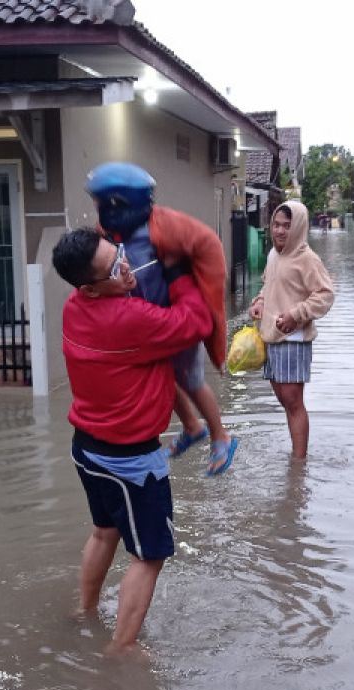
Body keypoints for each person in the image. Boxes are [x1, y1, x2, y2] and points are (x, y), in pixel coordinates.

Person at [51, 228, 212, 653]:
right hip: (130, 463)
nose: (125, 265)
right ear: (90, 285)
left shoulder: (73, 307)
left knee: (105, 531)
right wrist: (179, 274)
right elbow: (198, 322)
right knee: (149, 555)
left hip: (87, 449)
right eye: (112, 267)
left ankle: (83, 611)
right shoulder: (130, 320)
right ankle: (120, 650)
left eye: (119, 253)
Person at [86, 162, 238, 476]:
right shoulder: (111, 234)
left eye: (100, 203)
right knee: (162, 378)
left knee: (192, 381)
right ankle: (193, 428)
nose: (97, 210)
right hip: (147, 322)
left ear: (119, 204)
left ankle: (220, 434)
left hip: (177, 320)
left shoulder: (164, 230)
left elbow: (207, 246)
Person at [249, 201, 335, 460]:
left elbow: (325, 295)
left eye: (287, 226)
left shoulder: (307, 258)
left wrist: (296, 315)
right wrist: (260, 302)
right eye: (276, 225)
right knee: (285, 401)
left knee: (294, 402)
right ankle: (296, 458)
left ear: (297, 227)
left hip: (293, 339)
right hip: (272, 337)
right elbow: (269, 285)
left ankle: (299, 464)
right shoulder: (274, 255)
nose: (280, 231)